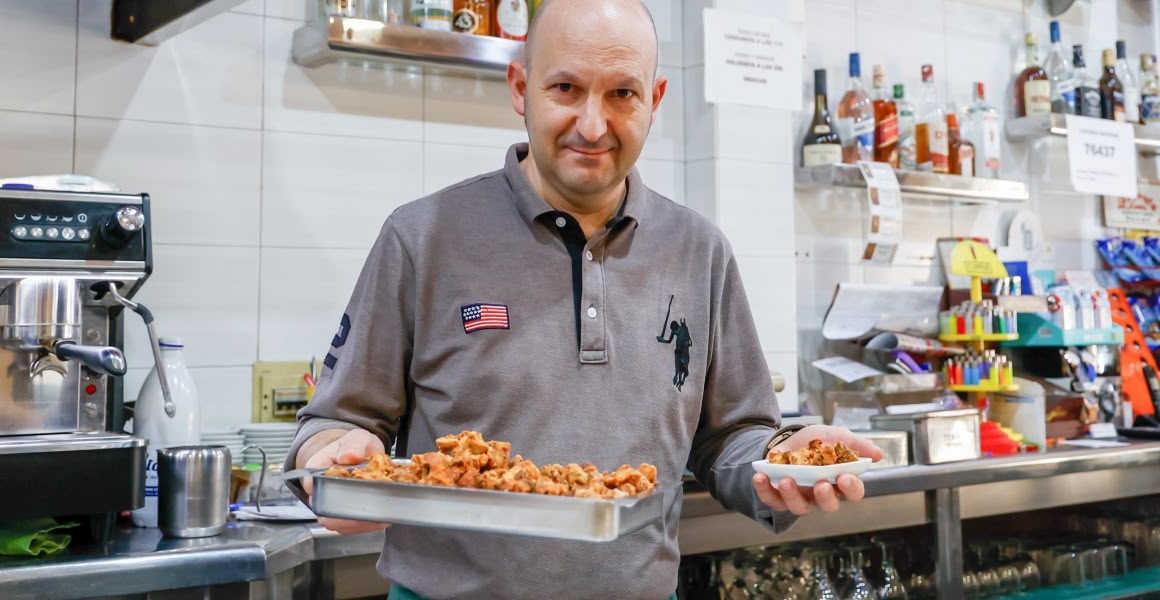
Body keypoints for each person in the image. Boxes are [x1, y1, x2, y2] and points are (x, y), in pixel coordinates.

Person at [284, 0, 882, 598]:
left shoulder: (699, 251)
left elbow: (732, 435)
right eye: (566, 88)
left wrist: (782, 462)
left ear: (655, 99)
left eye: (622, 94)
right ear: (521, 87)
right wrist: (334, 461)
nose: (593, 126)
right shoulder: (422, 237)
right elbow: (337, 422)